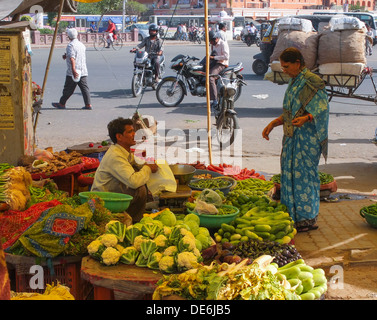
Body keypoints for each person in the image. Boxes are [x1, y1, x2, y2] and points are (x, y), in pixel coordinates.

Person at [262, 47, 329, 232]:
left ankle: (307, 219)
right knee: (289, 175)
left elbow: (322, 108)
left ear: (297, 64)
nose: (284, 70)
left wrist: (307, 118)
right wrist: (274, 123)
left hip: (308, 139)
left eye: (286, 66)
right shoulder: (294, 81)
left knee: (305, 177)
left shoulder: (312, 82)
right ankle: (293, 216)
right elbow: (289, 112)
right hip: (291, 137)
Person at [91, 117, 158, 222]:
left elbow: (135, 161)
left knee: (139, 172)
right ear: (119, 137)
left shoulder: (123, 151)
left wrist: (146, 162)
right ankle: (134, 220)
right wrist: (148, 167)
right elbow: (134, 181)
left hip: (113, 191)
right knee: (139, 188)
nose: (134, 134)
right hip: (103, 199)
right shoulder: (115, 156)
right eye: (130, 132)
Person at [52, 28, 92, 110]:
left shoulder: (71, 45)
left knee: (68, 88)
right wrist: (66, 56)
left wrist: (73, 70)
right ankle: (88, 104)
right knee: (85, 88)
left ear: (68, 36)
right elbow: (76, 55)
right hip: (83, 70)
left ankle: (62, 103)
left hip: (73, 71)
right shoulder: (81, 45)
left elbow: (72, 58)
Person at [208, 30, 230, 110]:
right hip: (214, 63)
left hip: (222, 64)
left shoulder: (223, 44)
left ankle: (215, 100)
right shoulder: (213, 45)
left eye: (211, 41)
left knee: (211, 77)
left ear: (216, 39)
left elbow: (226, 57)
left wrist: (214, 58)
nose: (210, 43)